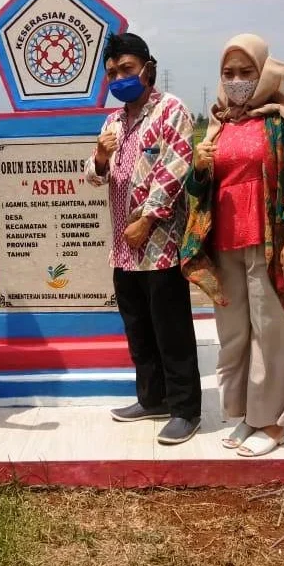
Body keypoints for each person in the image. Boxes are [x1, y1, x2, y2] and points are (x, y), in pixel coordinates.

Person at [181, 33, 284, 457]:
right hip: (225, 244)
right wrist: (199, 168)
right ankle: (248, 412)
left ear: (263, 73)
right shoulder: (219, 123)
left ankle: (275, 423)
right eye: (229, 73)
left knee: (275, 333)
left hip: (271, 242)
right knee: (235, 335)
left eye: (247, 72)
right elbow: (198, 190)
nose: (237, 80)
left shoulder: (283, 122)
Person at [85, 32, 202, 446]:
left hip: (159, 246)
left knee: (171, 329)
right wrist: (99, 156)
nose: (119, 78)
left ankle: (186, 409)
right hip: (122, 249)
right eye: (113, 72)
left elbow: (175, 168)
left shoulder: (172, 111)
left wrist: (148, 220)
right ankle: (151, 398)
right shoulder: (113, 121)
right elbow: (94, 175)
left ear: (147, 69)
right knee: (138, 328)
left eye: (127, 70)